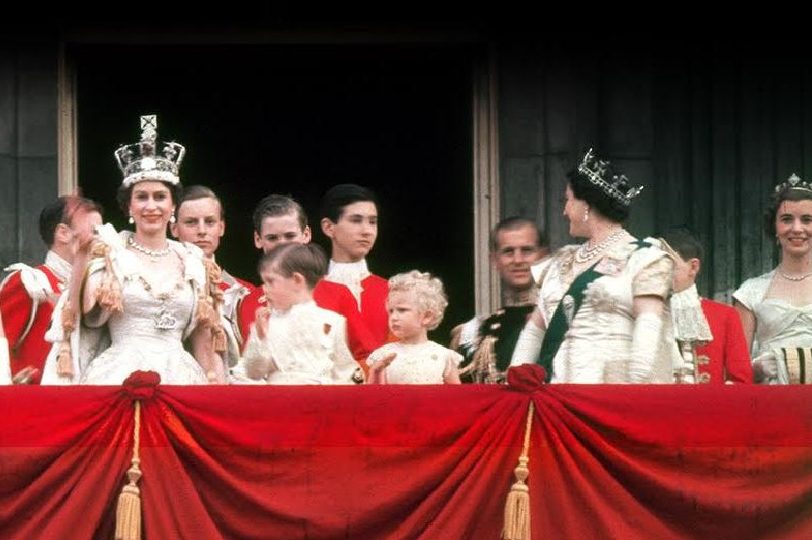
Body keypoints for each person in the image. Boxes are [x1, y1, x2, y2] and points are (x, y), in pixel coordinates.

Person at [41, 115, 225, 385]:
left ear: (173, 206)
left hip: (182, 379)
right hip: (117, 379)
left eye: (160, 197)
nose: (151, 206)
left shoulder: (193, 261)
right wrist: (82, 257)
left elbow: (203, 341)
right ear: (128, 207)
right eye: (142, 197)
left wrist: (217, 389)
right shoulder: (110, 253)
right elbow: (85, 314)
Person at [511, 148, 676, 383]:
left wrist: (636, 393)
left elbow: (647, 329)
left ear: (586, 205)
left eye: (568, 200)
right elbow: (534, 332)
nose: (564, 210)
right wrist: (515, 383)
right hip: (556, 393)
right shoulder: (560, 262)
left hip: (611, 394)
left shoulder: (644, 258)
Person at [237, 193, 376, 369]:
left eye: (290, 236)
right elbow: (249, 368)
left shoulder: (338, 294)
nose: (283, 245)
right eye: (273, 238)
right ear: (258, 240)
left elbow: (367, 357)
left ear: (306, 234)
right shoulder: (249, 303)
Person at [1, 196, 102, 384]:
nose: (101, 238)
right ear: (63, 233)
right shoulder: (29, 282)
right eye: (94, 230)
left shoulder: (98, 288)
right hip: (36, 403)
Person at [734, 173, 812, 384]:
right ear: (775, 228)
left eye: (807, 219)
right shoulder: (751, 292)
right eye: (787, 219)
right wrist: (756, 369)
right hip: (772, 402)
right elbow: (735, 371)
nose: (797, 229)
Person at [242, 243, 356, 384]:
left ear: (297, 280)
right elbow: (253, 373)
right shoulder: (266, 325)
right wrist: (260, 338)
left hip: (320, 401)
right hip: (278, 400)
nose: (265, 288)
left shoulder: (333, 322)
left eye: (271, 281)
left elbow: (344, 373)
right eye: (264, 282)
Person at [453, 217, 549, 383]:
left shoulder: (564, 322)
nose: (518, 260)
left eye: (526, 250)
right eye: (508, 252)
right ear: (494, 259)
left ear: (543, 255)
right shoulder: (475, 333)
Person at [171, 185, 253, 368]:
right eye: (191, 222)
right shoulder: (161, 284)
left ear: (221, 228)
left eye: (209, 222)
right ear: (174, 229)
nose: (201, 231)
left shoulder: (244, 291)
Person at [662, 228, 752, 384]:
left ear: (693, 267)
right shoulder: (641, 313)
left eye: (668, 265)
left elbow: (741, 380)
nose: (659, 272)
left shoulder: (724, 315)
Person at [319, 183, 389, 348]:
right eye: (356, 220)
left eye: (372, 222)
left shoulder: (393, 291)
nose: (367, 231)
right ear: (329, 227)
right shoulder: (308, 292)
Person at [366, 271, 462, 384]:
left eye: (402, 310)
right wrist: (376, 372)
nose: (393, 317)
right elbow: (373, 397)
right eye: (391, 311)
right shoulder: (383, 355)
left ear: (427, 316)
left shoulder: (444, 356)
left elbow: (458, 397)